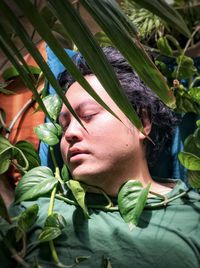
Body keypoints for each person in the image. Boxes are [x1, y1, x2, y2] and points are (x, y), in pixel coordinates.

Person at [1, 47, 200, 267]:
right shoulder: (34, 212)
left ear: (141, 122)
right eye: (64, 125)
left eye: (88, 116)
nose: (70, 134)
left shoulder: (193, 215)